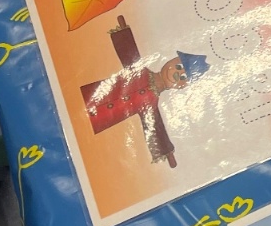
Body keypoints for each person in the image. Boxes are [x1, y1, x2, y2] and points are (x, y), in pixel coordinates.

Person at [80, 15, 208, 168]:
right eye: (179, 67)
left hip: (96, 122)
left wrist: (166, 151)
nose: (176, 74)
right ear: (171, 61)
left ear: (182, 86)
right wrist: (123, 32)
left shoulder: (151, 105)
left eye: (183, 77)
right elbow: (129, 52)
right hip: (87, 96)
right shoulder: (139, 70)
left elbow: (155, 127)